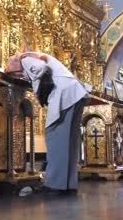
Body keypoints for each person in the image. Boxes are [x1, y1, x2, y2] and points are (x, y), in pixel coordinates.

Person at [6, 51, 88, 194]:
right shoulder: (35, 55)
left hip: (64, 95)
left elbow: (41, 69)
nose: (19, 77)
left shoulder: (25, 59)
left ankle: (54, 185)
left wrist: (39, 88)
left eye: (16, 74)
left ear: (15, 64)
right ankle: (68, 184)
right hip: (75, 93)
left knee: (55, 137)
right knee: (69, 141)